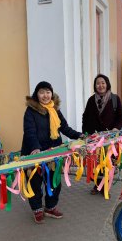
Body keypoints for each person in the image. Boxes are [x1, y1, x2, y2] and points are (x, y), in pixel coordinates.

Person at [21, 81, 83, 224]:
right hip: (34, 152)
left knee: (54, 182)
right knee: (35, 182)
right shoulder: (30, 111)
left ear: (52, 93)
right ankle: (37, 209)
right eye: (42, 92)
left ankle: (50, 207)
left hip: (53, 152)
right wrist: (36, 148)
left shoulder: (54, 110)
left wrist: (79, 135)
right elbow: (30, 132)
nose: (45, 95)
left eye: (48, 92)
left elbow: (65, 128)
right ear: (37, 94)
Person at [82, 74, 122, 195]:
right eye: (98, 83)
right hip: (94, 137)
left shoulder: (115, 99)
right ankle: (97, 185)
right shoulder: (91, 100)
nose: (100, 85)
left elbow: (121, 116)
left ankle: (105, 187)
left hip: (109, 138)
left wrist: (117, 128)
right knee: (96, 161)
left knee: (107, 162)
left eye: (103, 83)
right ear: (95, 86)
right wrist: (85, 133)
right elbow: (85, 117)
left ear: (107, 84)